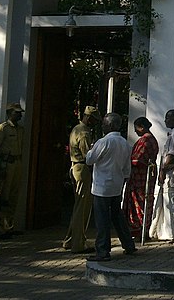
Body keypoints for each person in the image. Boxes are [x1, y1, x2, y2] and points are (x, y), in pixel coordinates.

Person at [85, 112, 137, 261]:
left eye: (104, 124)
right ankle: (128, 244)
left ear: (111, 125)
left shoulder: (104, 142)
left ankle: (102, 250)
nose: (102, 126)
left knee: (102, 219)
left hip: (102, 186)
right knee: (117, 216)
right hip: (116, 184)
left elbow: (90, 159)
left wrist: (91, 148)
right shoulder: (125, 143)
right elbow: (127, 168)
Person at [62, 106, 100, 253]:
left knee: (79, 205)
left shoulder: (76, 128)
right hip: (82, 168)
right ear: (89, 118)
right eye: (95, 120)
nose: (96, 123)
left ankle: (71, 239)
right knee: (82, 207)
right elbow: (88, 156)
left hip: (76, 167)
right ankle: (78, 244)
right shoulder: (83, 133)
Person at [0, 102, 25, 238]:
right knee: (3, 197)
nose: (19, 115)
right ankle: (0, 228)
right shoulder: (3, 128)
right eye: (16, 112)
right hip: (7, 164)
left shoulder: (20, 129)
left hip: (17, 163)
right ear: (9, 113)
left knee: (14, 196)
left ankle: (9, 226)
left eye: (19, 113)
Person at [124, 116, 158, 239]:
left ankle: (139, 231)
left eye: (136, 128)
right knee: (144, 203)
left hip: (141, 178)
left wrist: (125, 161)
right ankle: (141, 230)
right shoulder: (151, 139)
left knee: (139, 203)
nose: (135, 131)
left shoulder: (146, 140)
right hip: (145, 177)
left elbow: (137, 159)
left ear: (142, 127)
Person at [154, 109, 174, 241]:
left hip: (172, 173)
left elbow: (171, 154)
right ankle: (169, 232)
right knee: (169, 202)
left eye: (168, 118)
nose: (165, 120)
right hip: (171, 172)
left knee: (172, 202)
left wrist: (162, 170)